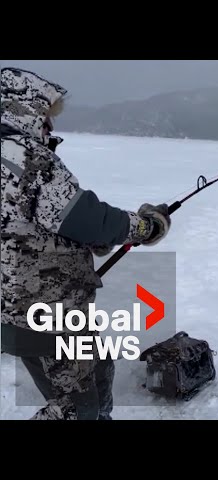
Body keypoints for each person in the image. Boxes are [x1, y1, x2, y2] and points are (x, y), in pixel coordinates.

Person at [1, 67, 172, 420]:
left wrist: (79, 240)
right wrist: (147, 226)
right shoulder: (27, 160)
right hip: (49, 311)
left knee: (90, 369)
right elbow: (90, 218)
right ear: (23, 109)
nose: (50, 125)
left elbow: (21, 224)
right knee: (76, 409)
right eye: (46, 116)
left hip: (15, 311)